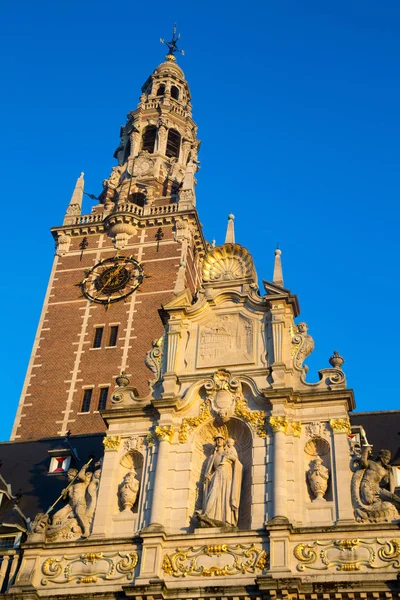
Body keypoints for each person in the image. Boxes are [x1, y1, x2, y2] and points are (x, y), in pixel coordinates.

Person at [198, 434, 243, 528]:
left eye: (221, 439)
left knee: (226, 496)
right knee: (213, 492)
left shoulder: (228, 452)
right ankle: (207, 514)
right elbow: (209, 471)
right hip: (216, 475)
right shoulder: (212, 457)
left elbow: (237, 463)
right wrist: (208, 476)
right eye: (217, 439)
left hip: (227, 476)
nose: (219, 441)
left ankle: (226, 519)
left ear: (224, 442)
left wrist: (231, 458)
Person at [51, 464, 91, 538]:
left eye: (69, 475)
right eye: (68, 475)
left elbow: (81, 476)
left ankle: (87, 530)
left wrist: (83, 468)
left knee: (80, 513)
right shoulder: (69, 486)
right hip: (70, 505)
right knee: (56, 516)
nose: (68, 477)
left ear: (74, 475)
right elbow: (65, 499)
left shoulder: (82, 482)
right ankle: (53, 533)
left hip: (80, 502)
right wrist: (64, 494)